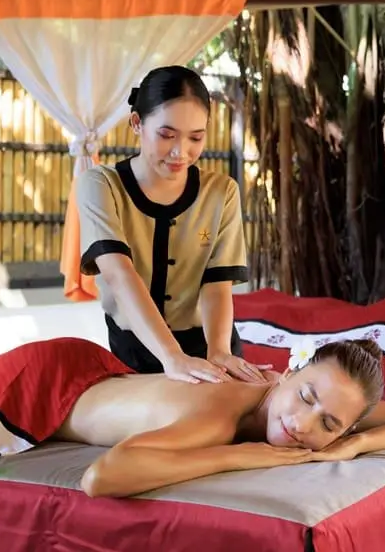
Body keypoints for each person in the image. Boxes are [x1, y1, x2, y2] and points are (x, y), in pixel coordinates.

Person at [0, 336, 385, 502]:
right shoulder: (218, 414)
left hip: (92, 373)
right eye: (307, 397)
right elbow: (103, 477)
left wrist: (349, 449)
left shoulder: (320, 411)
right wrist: (241, 455)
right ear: (287, 372)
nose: (305, 425)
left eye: (331, 424)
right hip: (33, 390)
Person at [76, 65, 264, 385]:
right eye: (166, 135)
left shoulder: (221, 192)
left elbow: (217, 285)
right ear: (137, 123)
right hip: (137, 347)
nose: (181, 152)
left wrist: (219, 352)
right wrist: (171, 356)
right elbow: (119, 275)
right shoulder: (101, 185)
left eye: (196, 137)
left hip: (208, 344)